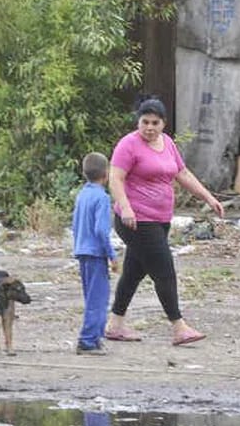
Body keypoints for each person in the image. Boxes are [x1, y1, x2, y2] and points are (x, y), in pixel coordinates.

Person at [105, 96, 224, 346]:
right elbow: (115, 178)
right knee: (164, 271)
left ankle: (115, 325)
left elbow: (182, 173)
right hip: (136, 220)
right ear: (138, 121)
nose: (149, 127)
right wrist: (125, 208)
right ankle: (179, 327)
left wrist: (209, 198)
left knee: (134, 272)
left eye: (154, 123)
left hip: (160, 220)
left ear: (164, 124)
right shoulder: (128, 145)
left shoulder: (167, 143)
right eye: (144, 122)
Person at [72, 152, 118, 355]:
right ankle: (88, 341)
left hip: (82, 251)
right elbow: (101, 230)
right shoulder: (102, 198)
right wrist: (112, 254)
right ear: (106, 174)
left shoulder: (82, 195)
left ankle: (96, 338)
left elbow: (75, 225)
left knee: (91, 297)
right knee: (98, 300)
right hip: (96, 253)